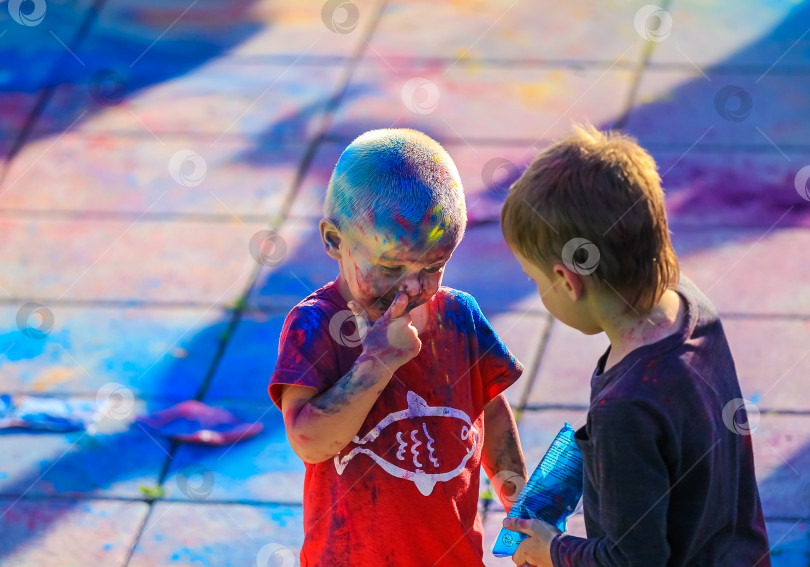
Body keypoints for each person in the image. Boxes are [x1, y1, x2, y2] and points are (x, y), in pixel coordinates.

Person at [499, 124, 771, 566]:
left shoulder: (623, 411)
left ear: (568, 281)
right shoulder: (693, 307)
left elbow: (633, 560)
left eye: (535, 280)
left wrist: (554, 550)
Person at [269, 128, 527, 566]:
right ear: (334, 240)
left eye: (433, 266)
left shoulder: (459, 317)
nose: (412, 286)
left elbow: (491, 413)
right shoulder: (316, 326)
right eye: (390, 266)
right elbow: (309, 440)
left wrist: (520, 504)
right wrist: (376, 362)